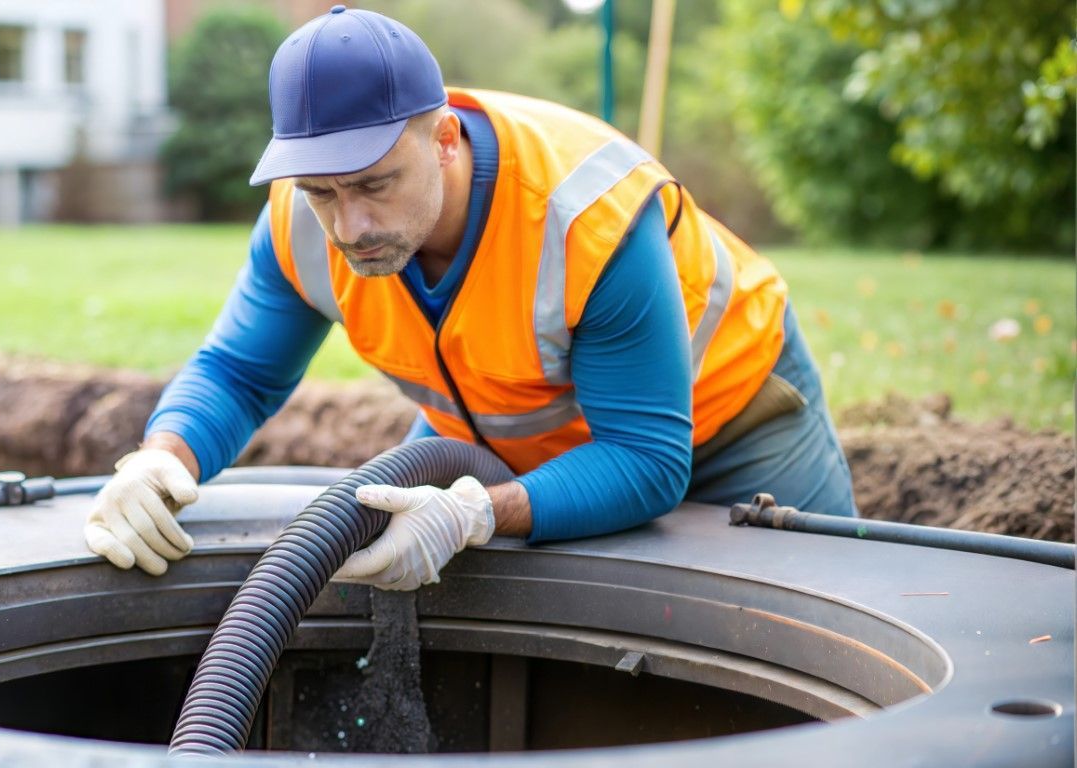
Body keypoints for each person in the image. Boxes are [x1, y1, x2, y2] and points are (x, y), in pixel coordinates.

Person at [84, 5, 857, 589]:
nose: (348, 227)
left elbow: (646, 460)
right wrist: (159, 459)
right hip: (510, 445)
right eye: (320, 191)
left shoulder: (585, 216)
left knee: (819, 622)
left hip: (733, 428)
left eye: (373, 184)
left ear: (444, 139)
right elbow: (238, 372)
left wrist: (472, 513)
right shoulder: (301, 220)